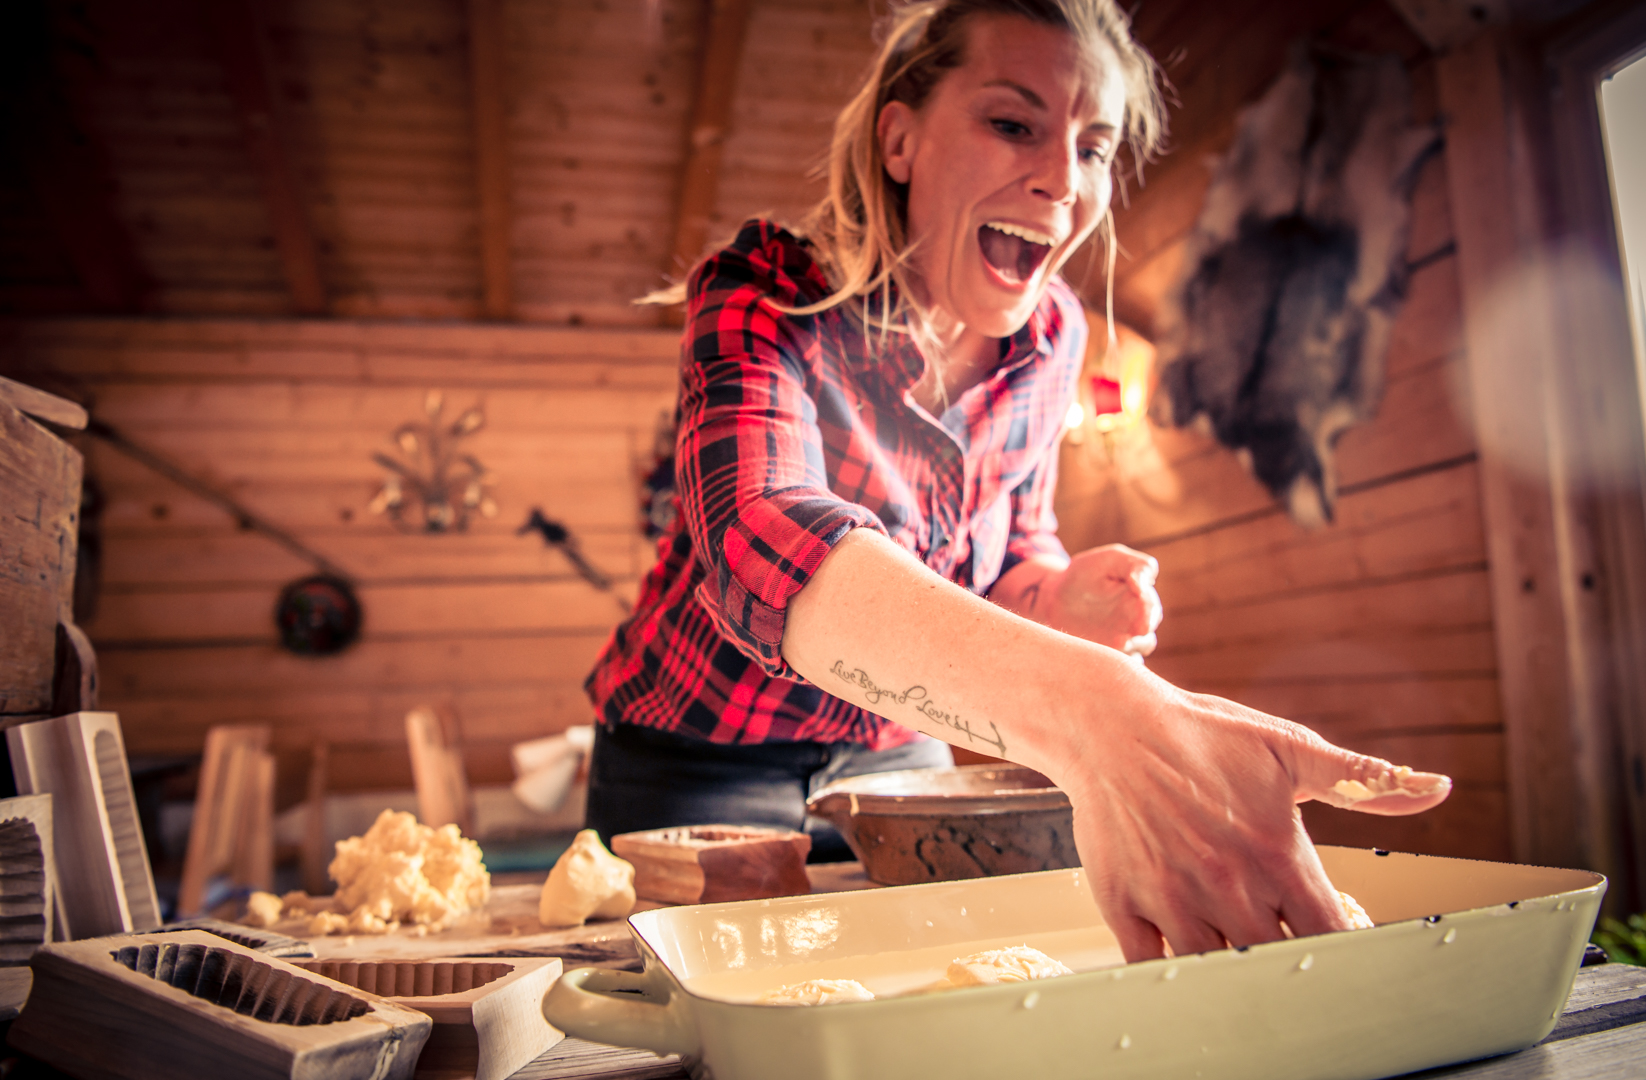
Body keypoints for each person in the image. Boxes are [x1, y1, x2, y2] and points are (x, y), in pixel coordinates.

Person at [584, 0, 1451, 963]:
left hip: (894, 754)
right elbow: (757, 534)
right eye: (1012, 124)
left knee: (909, 984)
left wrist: (1056, 595)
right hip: (695, 752)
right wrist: (1105, 713)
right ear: (900, 138)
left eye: (1093, 148)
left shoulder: (1056, 341)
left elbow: (1012, 540)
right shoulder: (768, 290)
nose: (1059, 180)